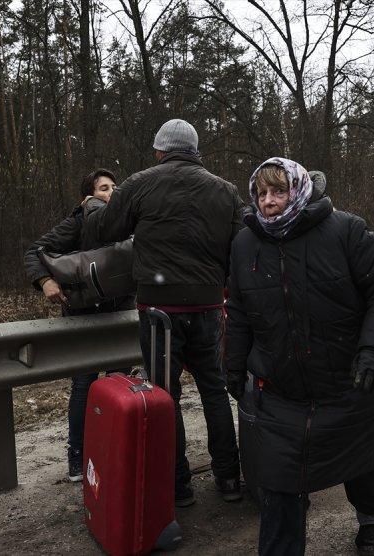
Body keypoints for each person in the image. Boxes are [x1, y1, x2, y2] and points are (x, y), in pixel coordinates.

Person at [224, 157, 374, 556]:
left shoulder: (345, 230)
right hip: (279, 392)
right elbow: (238, 311)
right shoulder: (244, 243)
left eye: (278, 191)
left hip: (349, 382)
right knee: (278, 484)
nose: (268, 202)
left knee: (359, 464)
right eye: (260, 194)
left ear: (299, 189)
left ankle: (372, 518)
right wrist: (233, 368)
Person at [83, 119, 243, 506]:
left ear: (159, 151)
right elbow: (239, 251)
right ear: (196, 151)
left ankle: (178, 486)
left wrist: (91, 205)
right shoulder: (227, 191)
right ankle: (228, 479)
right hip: (208, 306)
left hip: (159, 311)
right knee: (215, 392)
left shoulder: (139, 183)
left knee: (164, 397)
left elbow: (103, 230)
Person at [23, 169, 135, 482]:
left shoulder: (127, 221)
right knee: (85, 385)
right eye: (103, 188)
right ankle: (78, 457)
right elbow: (35, 251)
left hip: (121, 315)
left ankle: (119, 452)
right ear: (87, 197)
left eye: (114, 187)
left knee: (122, 386)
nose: (110, 192)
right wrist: (44, 280)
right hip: (84, 317)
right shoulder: (77, 221)